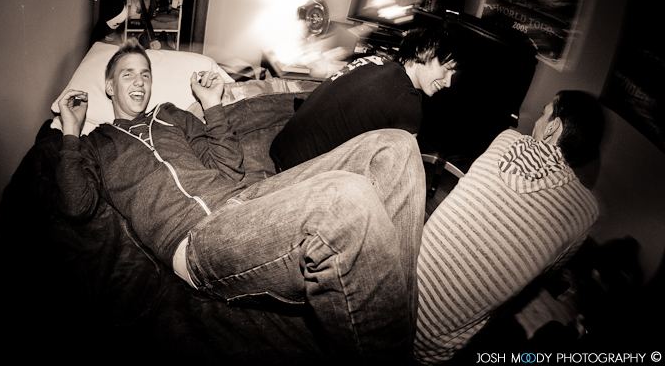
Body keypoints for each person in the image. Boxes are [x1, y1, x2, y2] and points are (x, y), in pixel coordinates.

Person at [56, 39, 428, 363]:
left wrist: (212, 106)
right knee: (346, 200)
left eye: (145, 75)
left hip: (245, 201)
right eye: (128, 74)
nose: (140, 82)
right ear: (109, 86)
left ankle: (403, 333)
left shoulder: (170, 115)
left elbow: (229, 168)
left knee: (395, 146)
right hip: (197, 239)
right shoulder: (95, 145)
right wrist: (71, 131)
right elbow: (77, 205)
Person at [413, 90, 605, 364]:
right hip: (429, 349)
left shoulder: (506, 140)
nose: (537, 121)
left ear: (552, 127)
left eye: (543, 113)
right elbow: (543, 276)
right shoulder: (586, 212)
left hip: (392, 292)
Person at [269, 25, 466, 172]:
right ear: (425, 53)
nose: (448, 82)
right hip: (297, 175)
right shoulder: (408, 102)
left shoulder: (373, 61)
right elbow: (396, 172)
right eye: (447, 69)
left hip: (281, 150)